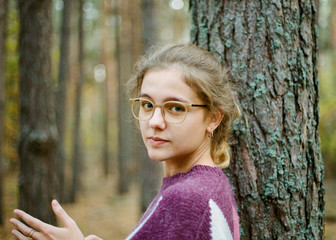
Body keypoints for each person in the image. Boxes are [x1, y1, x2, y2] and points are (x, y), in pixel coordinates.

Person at [10, 43, 240, 240]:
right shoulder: (212, 185)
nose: (155, 121)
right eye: (147, 105)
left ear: (213, 118)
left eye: (176, 108)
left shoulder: (186, 199)